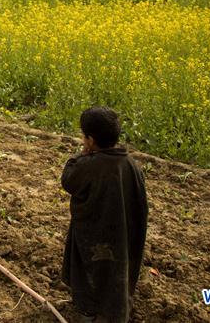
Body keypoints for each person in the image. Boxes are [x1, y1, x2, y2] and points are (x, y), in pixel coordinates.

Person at [61, 106, 148, 323]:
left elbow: (68, 180)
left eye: (83, 136)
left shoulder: (89, 165)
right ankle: (117, 311)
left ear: (90, 140)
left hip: (95, 236)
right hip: (124, 235)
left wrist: (78, 157)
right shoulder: (130, 164)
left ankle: (89, 312)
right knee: (119, 273)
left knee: (91, 272)